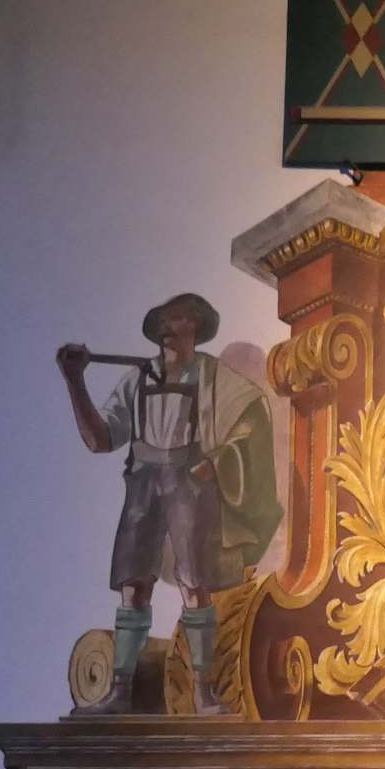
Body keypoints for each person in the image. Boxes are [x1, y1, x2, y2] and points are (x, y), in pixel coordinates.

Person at [55, 293, 279, 713]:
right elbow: (99, 439)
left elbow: (251, 415)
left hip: (188, 483)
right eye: (164, 320)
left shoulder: (212, 376)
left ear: (194, 326)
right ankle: (120, 691)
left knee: (195, 584)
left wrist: (217, 461)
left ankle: (202, 692)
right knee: (134, 585)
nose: (168, 327)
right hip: (143, 482)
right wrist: (74, 382)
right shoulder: (138, 379)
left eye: (177, 319)